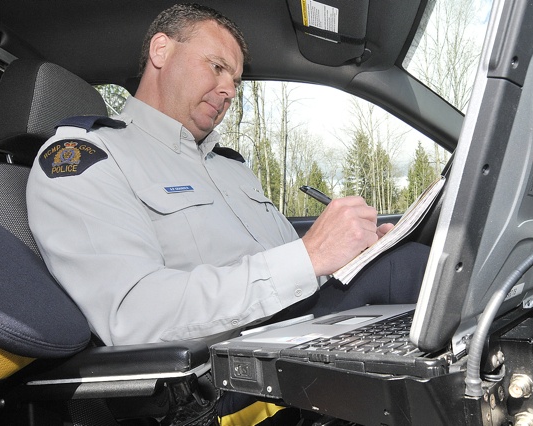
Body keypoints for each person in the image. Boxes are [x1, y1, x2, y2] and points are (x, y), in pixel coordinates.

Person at [27, 4, 428, 348]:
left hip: (295, 324)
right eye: (216, 67)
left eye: (234, 81)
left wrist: (352, 251)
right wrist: (310, 255)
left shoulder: (230, 167)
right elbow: (131, 315)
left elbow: (295, 264)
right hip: (221, 367)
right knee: (407, 269)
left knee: (395, 261)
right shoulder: (88, 158)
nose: (229, 91)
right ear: (161, 50)